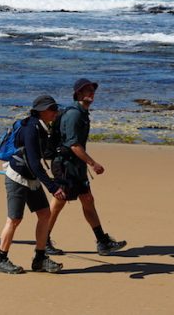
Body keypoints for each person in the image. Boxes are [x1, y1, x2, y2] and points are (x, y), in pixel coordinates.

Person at [47, 78, 127, 256]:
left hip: (76, 166)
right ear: (78, 94)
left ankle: (102, 242)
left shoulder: (82, 113)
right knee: (58, 202)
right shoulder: (74, 114)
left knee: (88, 200)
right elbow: (74, 145)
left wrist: (85, 164)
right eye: (87, 90)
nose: (91, 93)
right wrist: (93, 163)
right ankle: (43, 240)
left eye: (92, 90)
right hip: (65, 166)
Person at [0, 95, 67, 275]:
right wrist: (53, 187)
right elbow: (35, 163)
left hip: (31, 178)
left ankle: (39, 259)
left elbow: (40, 156)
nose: (55, 112)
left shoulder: (40, 126)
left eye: (55, 108)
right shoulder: (31, 129)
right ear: (41, 111)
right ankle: (0, 260)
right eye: (52, 109)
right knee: (14, 219)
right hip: (17, 177)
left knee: (44, 214)